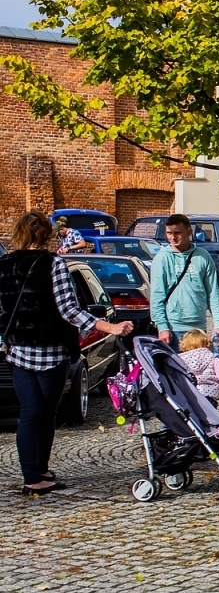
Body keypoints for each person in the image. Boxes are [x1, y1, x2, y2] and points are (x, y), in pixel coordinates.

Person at [0, 211, 135, 493]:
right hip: (51, 353)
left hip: (17, 353)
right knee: (46, 413)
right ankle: (37, 474)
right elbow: (69, 311)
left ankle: (34, 472)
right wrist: (109, 328)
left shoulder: (4, 265)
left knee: (29, 413)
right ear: (45, 236)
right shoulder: (54, 264)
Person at [150, 213, 219, 347]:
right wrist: (162, 327)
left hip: (198, 328)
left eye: (177, 233)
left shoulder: (203, 256)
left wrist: (218, 325)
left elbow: (213, 293)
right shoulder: (162, 259)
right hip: (173, 328)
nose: (173, 237)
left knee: (199, 367)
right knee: (175, 368)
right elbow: (157, 297)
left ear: (189, 232)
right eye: (169, 233)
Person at [179, 328, 219, 405]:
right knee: (209, 416)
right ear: (206, 343)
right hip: (209, 395)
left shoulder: (180, 360)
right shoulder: (213, 358)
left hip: (189, 395)